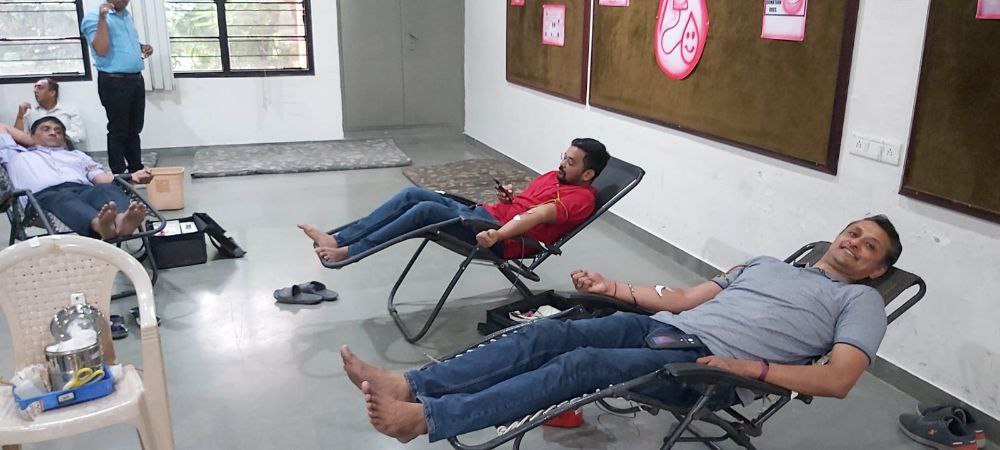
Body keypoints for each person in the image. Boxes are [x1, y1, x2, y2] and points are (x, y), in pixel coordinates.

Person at [340, 215, 903, 443]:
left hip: (709, 368)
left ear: (878, 270)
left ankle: (428, 419)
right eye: (853, 232)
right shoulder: (764, 264)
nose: (855, 243)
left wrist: (745, 369)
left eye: (870, 246)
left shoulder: (860, 301)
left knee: (580, 366)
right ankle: (411, 385)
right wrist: (615, 287)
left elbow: (838, 379)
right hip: (665, 330)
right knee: (549, 332)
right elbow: (684, 299)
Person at [299, 138, 610, 263]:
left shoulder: (581, 198)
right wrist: (509, 198)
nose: (562, 164)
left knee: (426, 211)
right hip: (484, 214)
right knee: (412, 194)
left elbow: (536, 216)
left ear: (588, 174)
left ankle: (349, 252)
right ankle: (339, 238)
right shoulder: (554, 177)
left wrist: (498, 234)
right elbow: (527, 206)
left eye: (571, 162)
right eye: (564, 156)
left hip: (502, 238)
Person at [0, 118, 152, 240]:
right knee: (63, 197)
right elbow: (2, 127)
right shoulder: (15, 154)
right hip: (42, 199)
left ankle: (121, 221)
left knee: (106, 189)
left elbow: (102, 179)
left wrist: (132, 176)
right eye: (46, 129)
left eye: (58, 131)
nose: (53, 132)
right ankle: (100, 225)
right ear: (31, 135)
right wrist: (32, 142)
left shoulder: (77, 155)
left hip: (83, 191)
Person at [80, 0, 152, 175]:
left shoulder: (126, 15)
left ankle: (136, 167)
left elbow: (121, 44)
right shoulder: (93, 17)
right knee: (118, 129)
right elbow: (101, 49)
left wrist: (141, 47)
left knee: (134, 128)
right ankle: (119, 172)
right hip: (114, 81)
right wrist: (102, 19)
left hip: (135, 79)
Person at [14, 78, 87, 149]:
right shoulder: (29, 111)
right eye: (35, 88)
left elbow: (80, 136)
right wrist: (20, 116)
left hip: (64, 151)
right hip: (37, 152)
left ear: (52, 93)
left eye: (40, 88)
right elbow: (17, 138)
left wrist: (57, 134)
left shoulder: (69, 110)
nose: (35, 91)